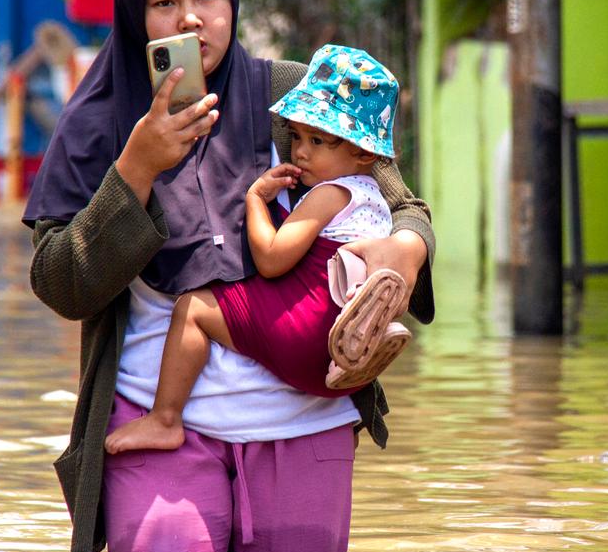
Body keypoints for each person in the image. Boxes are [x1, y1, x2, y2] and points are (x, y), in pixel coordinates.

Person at [22, 0, 435, 552]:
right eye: (164, 3)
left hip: (307, 417)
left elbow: (405, 207)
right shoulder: (98, 125)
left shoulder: (299, 98)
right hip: (155, 420)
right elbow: (60, 280)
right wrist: (135, 169)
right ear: (134, 17)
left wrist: (408, 252)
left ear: (232, 2)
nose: (191, 21)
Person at [103, 45, 411, 456]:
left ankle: (164, 420)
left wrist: (254, 199)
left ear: (364, 153)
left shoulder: (330, 194)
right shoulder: (374, 202)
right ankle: (371, 328)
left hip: (302, 336)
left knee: (192, 309)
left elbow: (270, 259)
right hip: (341, 367)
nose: (299, 151)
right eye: (297, 135)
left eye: (317, 140)